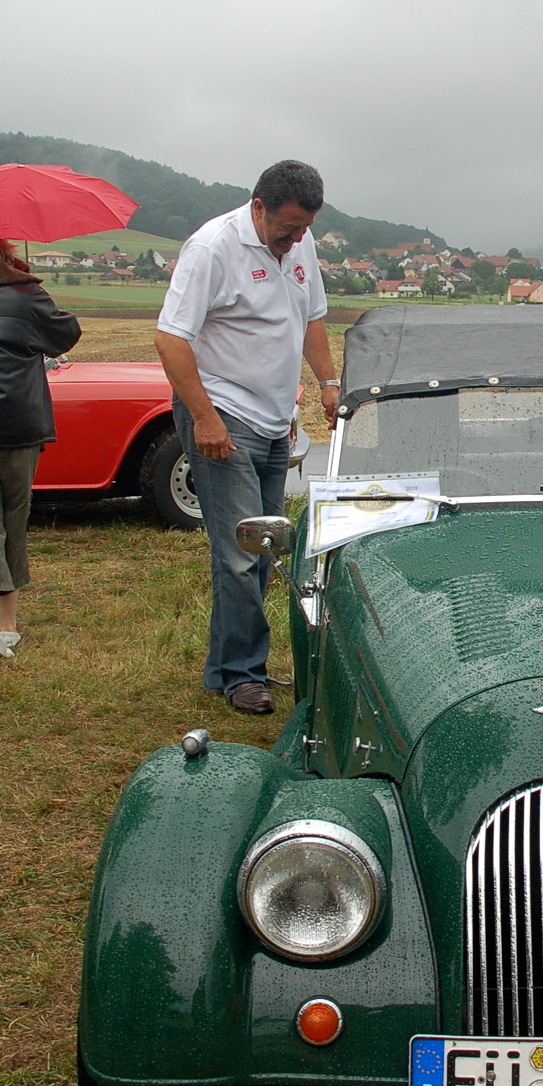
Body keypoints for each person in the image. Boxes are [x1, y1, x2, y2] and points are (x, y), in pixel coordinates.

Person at [155, 161, 340, 715]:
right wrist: (206, 419)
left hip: (273, 417)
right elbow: (171, 340)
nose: (296, 239)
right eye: (287, 227)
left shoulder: (299, 246)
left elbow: (311, 319)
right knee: (239, 551)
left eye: (305, 228)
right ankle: (243, 674)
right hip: (223, 415)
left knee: (266, 547)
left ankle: (226, 668)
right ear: (257, 207)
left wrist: (328, 382)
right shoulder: (212, 248)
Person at [0, 237, 82, 658]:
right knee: (14, 514)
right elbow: (67, 335)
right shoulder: (27, 292)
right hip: (21, 421)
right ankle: (9, 625)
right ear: (5, 248)